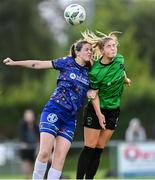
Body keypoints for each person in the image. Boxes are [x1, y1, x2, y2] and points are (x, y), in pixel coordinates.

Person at [3, 39, 93, 180]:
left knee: (59, 158)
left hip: (70, 118)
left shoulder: (89, 72)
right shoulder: (67, 62)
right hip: (54, 110)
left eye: (91, 50)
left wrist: (90, 93)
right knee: (45, 152)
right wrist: (15, 62)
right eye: (87, 49)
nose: (90, 52)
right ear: (77, 52)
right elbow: (38, 64)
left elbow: (86, 91)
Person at [76, 30, 131, 179]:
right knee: (89, 147)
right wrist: (99, 115)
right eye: (109, 46)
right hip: (96, 110)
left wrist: (125, 79)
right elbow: (94, 95)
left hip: (114, 111)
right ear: (102, 50)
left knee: (99, 148)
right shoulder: (95, 71)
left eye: (114, 46)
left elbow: (121, 71)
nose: (113, 48)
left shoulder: (120, 59)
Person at [19, 109, 40, 179]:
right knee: (26, 163)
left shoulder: (36, 125)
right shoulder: (22, 125)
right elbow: (21, 136)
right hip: (26, 147)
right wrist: (23, 143)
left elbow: (38, 135)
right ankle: (26, 177)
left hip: (34, 147)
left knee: (36, 163)